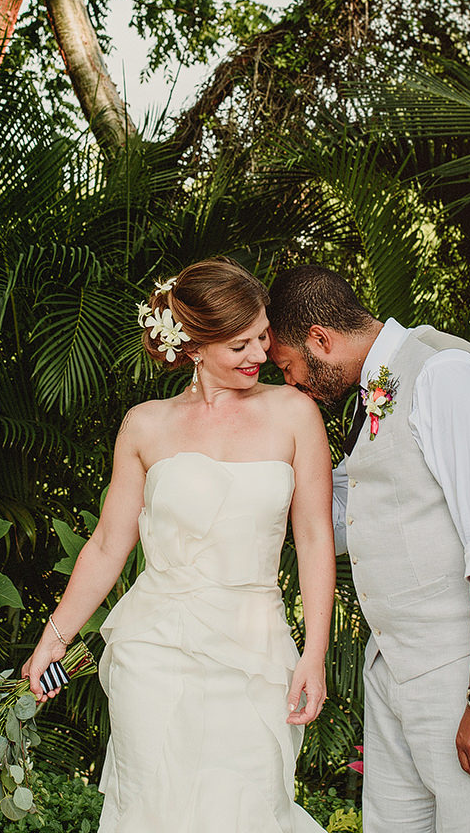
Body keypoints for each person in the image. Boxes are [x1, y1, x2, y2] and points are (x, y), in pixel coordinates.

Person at [22, 258, 334, 833]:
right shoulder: (145, 425)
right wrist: (53, 641)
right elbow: (107, 547)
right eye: (240, 344)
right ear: (193, 347)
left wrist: (315, 651)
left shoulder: (294, 414)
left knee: (245, 810)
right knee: (152, 808)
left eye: (262, 335)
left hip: (254, 650)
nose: (260, 355)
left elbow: (314, 538)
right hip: (155, 650)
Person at [266, 265, 470, 833]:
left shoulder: (445, 376)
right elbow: (352, 510)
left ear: (321, 339)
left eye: (289, 367)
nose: (291, 386)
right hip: (397, 665)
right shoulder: (374, 388)